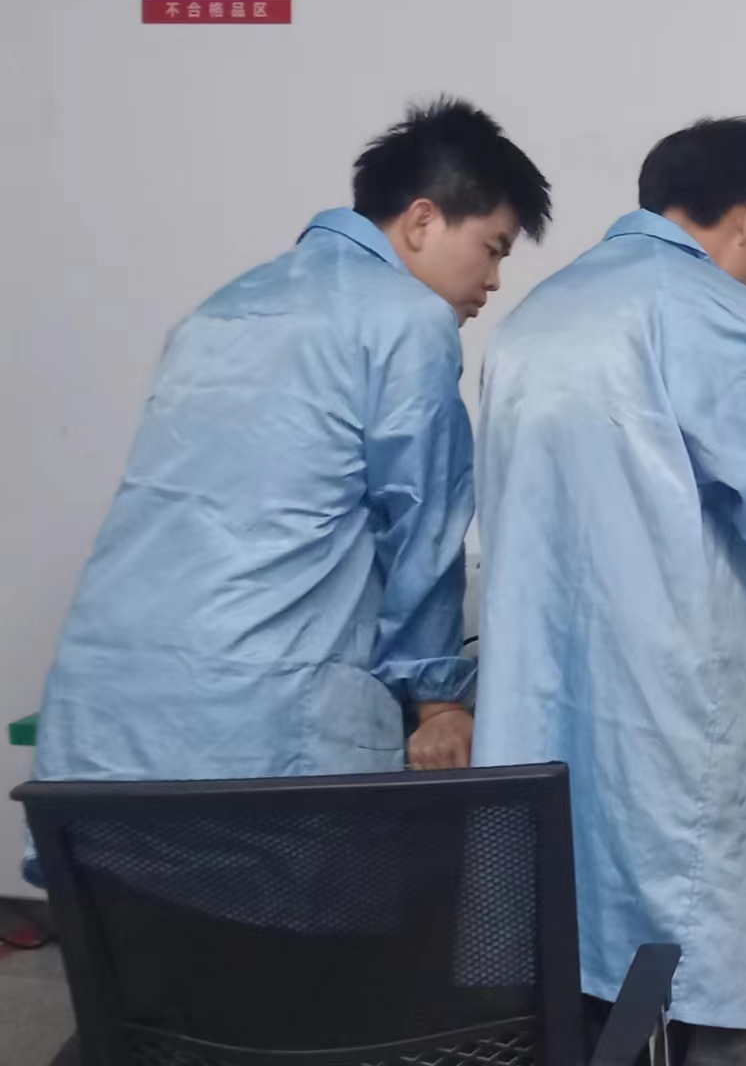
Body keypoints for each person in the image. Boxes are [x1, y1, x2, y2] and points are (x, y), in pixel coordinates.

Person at [474, 117, 746, 1065]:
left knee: (568, 975)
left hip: (538, 720)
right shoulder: (706, 309)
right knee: (709, 988)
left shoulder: (535, 319)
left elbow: (616, 539)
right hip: (667, 734)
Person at [32, 98, 551, 813]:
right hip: (260, 726)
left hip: (103, 718)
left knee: (137, 892)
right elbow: (423, 525)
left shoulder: (220, 309)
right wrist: (438, 702)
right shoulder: (406, 321)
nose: (492, 280)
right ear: (423, 220)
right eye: (493, 248)